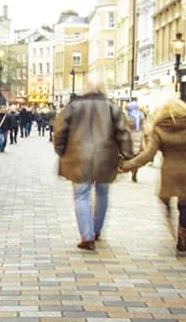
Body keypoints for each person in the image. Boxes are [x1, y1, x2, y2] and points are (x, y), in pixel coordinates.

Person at [119, 98, 186, 252]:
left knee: (165, 198)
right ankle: (183, 236)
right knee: (185, 206)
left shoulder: (160, 129)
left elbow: (147, 155)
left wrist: (127, 166)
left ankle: (169, 215)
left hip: (170, 171)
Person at [53, 76, 133, 251]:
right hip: (106, 157)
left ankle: (87, 236)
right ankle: (96, 230)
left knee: (81, 195)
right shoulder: (113, 107)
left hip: (78, 158)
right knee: (102, 193)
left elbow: (59, 132)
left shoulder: (72, 107)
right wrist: (127, 156)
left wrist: (61, 150)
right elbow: (123, 133)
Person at [125, 101, 148, 182]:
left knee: (131, 156)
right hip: (139, 136)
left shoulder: (127, 115)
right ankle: (135, 171)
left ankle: (131, 169)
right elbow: (145, 127)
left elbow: (123, 126)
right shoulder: (141, 115)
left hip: (129, 137)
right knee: (138, 156)